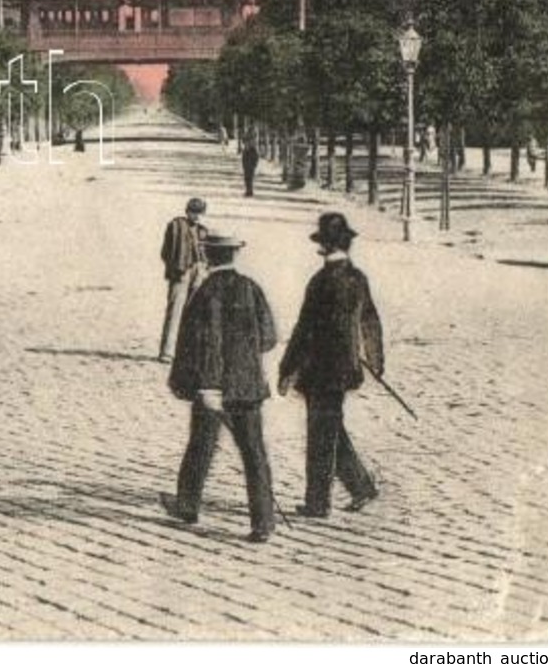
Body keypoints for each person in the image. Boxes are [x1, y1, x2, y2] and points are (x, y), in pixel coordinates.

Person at [161, 233, 279, 544]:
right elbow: (269, 338)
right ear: (233, 256)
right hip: (249, 387)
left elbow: (203, 344)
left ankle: (187, 506)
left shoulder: (205, 293)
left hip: (212, 388)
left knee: (200, 446)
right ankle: (264, 521)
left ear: (208, 256)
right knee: (255, 453)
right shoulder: (251, 288)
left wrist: (206, 385)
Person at [277, 212, 384, 518]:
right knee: (330, 427)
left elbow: (304, 330)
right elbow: (370, 321)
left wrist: (287, 369)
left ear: (323, 246)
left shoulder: (321, 281)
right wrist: (375, 361)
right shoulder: (357, 278)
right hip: (345, 368)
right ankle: (361, 486)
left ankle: (318, 502)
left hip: (320, 370)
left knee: (321, 434)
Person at [157, 198, 209, 363]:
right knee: (175, 312)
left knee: (195, 312)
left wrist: (203, 269)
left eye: (200, 213)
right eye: (194, 212)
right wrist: (176, 266)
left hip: (199, 270)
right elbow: (165, 252)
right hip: (181, 271)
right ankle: (167, 351)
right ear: (187, 212)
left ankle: (188, 353)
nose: (197, 217)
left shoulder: (203, 230)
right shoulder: (176, 226)